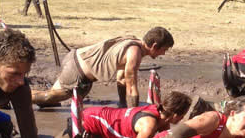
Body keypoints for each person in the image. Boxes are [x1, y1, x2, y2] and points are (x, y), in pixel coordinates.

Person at [31, 27, 174, 108]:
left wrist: (123, 104)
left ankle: (33, 99)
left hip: (76, 61)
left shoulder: (134, 42)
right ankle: (19, 96)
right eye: (164, 49)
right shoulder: (135, 53)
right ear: (155, 46)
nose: (164, 53)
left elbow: (121, 78)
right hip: (77, 70)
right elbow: (131, 87)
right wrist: (133, 114)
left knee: (50, 101)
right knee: (53, 96)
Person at [54, 91, 191, 138]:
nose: (182, 119)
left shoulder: (159, 112)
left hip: (85, 115)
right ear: (174, 114)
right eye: (182, 116)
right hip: (83, 129)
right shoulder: (149, 125)